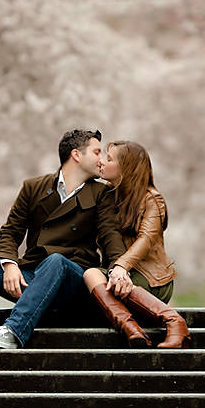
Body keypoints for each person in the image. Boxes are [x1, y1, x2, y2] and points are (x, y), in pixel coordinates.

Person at [0, 129, 131, 349]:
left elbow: (111, 236)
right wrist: (9, 264)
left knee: (56, 261)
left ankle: (14, 330)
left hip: (72, 281)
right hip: (33, 275)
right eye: (96, 152)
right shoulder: (33, 187)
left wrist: (119, 267)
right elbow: (10, 232)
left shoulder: (102, 194)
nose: (101, 160)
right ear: (76, 155)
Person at [83, 140, 191, 349]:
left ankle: (174, 321)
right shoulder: (108, 197)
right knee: (90, 274)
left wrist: (120, 268)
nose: (102, 163)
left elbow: (146, 239)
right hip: (119, 278)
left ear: (126, 167)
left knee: (96, 276)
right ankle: (131, 329)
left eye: (109, 159)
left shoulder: (152, 199)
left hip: (151, 280)